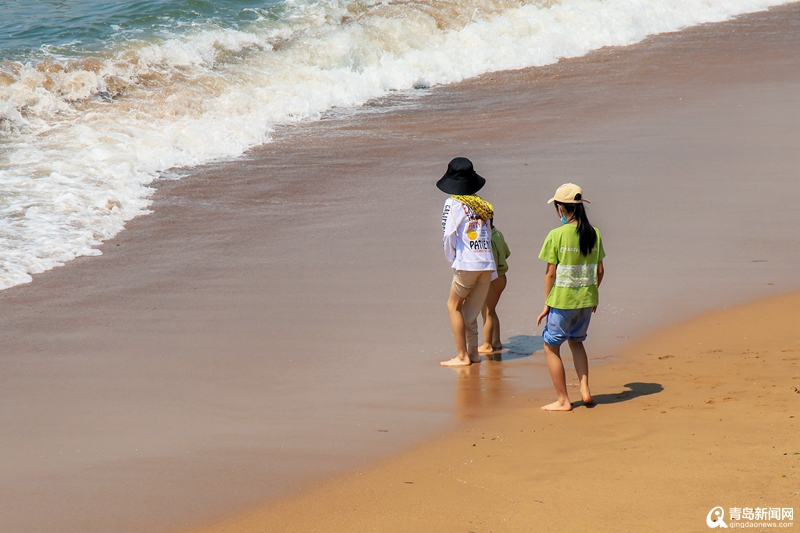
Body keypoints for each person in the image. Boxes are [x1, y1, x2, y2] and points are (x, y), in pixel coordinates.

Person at [536, 183, 605, 411]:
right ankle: (585, 389)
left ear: (560, 208)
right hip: (586, 301)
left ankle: (563, 400)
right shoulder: (594, 233)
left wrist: (547, 304)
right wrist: (593, 295)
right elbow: (600, 270)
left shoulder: (556, 235)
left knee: (551, 346)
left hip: (563, 301)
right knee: (577, 342)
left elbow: (550, 273)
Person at [438, 157, 496, 367]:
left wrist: (453, 259)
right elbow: (489, 234)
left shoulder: (452, 203)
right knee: (470, 312)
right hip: (487, 263)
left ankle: (462, 356)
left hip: (467, 264)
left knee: (453, 305)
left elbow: (448, 235)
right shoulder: (483, 205)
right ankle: (473, 354)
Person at [478, 218, 510, 355]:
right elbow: (507, 253)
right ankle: (496, 341)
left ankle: (487, 344)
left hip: (492, 278)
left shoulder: (486, 238)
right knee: (491, 310)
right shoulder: (498, 234)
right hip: (502, 277)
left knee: (487, 311)